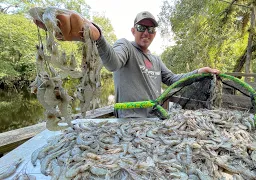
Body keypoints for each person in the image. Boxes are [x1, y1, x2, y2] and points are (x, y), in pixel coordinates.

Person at [33, 10, 220, 118]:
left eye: (150, 29)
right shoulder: (125, 46)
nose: (146, 32)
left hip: (155, 118)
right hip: (130, 121)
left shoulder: (156, 59)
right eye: (141, 28)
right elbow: (113, 63)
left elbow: (173, 80)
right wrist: (97, 36)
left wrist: (199, 71)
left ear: (154, 33)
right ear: (133, 30)